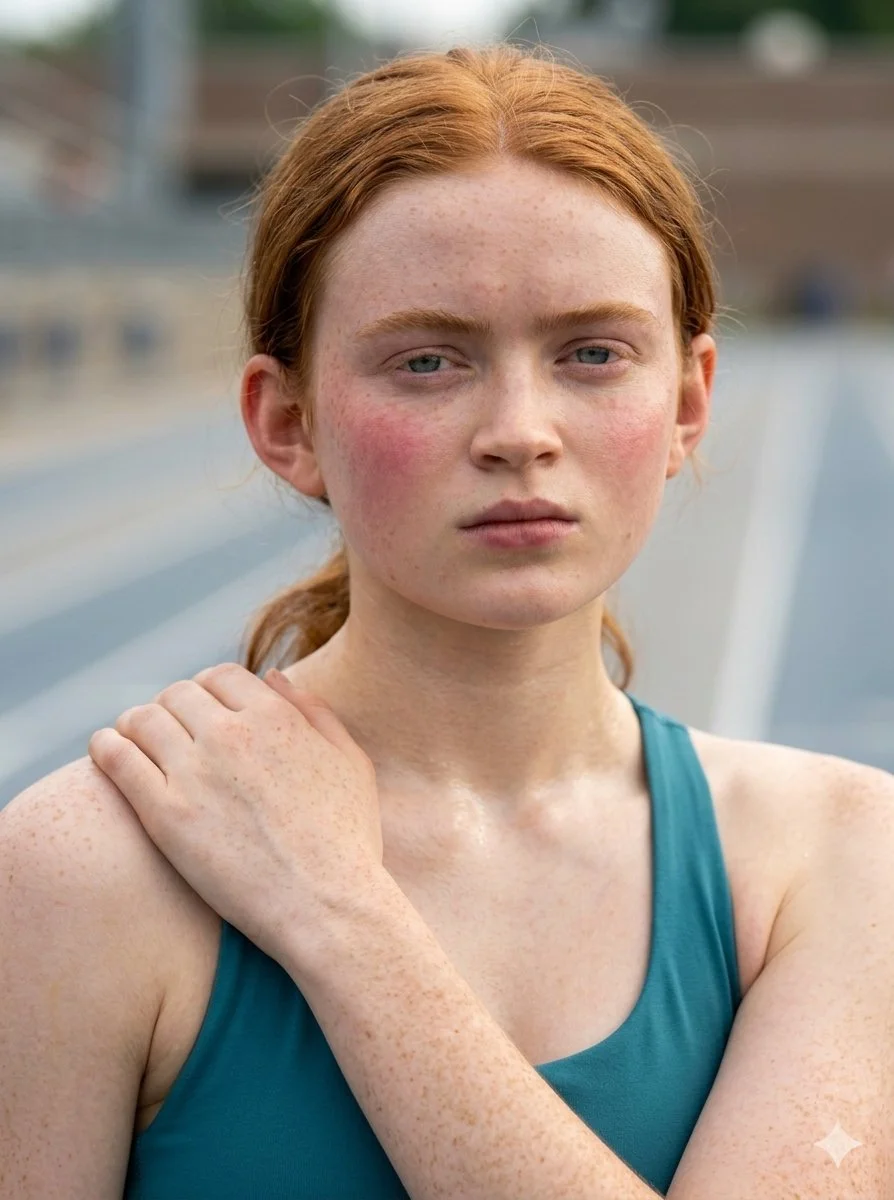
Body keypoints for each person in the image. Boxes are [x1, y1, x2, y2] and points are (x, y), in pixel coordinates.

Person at [2, 43, 893, 1200]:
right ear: (288, 422)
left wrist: (340, 913)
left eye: (591, 354)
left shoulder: (840, 855)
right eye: (427, 360)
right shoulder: (87, 874)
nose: (519, 429)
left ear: (686, 403)